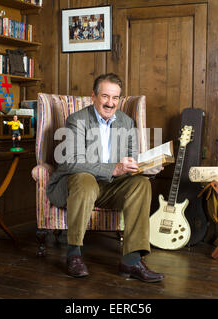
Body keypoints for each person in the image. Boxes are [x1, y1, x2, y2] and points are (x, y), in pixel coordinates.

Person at [46, 73, 165, 283]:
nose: (110, 103)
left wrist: (146, 166)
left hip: (108, 188)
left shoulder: (127, 123)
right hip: (74, 187)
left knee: (141, 184)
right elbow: (71, 162)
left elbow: (131, 158)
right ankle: (74, 253)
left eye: (115, 98)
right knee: (85, 180)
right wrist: (114, 168)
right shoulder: (77, 120)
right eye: (105, 97)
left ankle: (132, 260)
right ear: (93, 96)